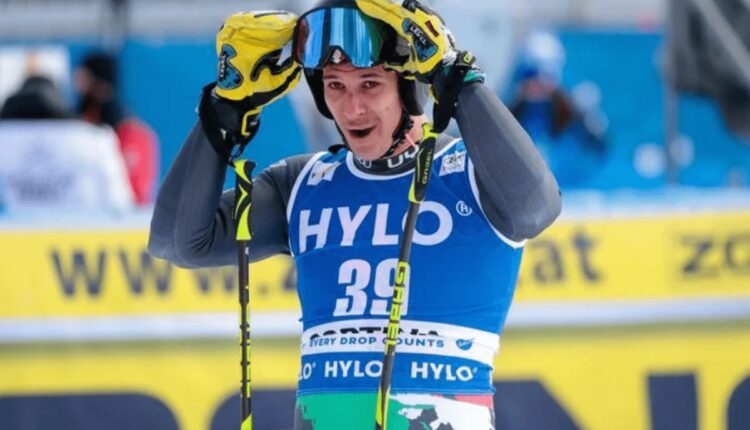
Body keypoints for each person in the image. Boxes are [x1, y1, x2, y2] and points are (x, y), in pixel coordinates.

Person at [149, 0, 560, 428]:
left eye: (370, 84)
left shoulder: (473, 173)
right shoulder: (302, 183)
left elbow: (536, 209)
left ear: (411, 86)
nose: (351, 108)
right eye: (335, 85)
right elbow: (177, 243)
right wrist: (224, 108)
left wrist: (453, 74)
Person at [509, 30, 607, 189]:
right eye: (529, 76)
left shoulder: (573, 116)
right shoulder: (511, 115)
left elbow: (600, 153)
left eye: (541, 79)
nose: (536, 85)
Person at [75, 51, 159, 205]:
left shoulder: (134, 134)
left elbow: (136, 196)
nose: (78, 88)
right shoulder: (77, 129)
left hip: (121, 216)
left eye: (84, 80)